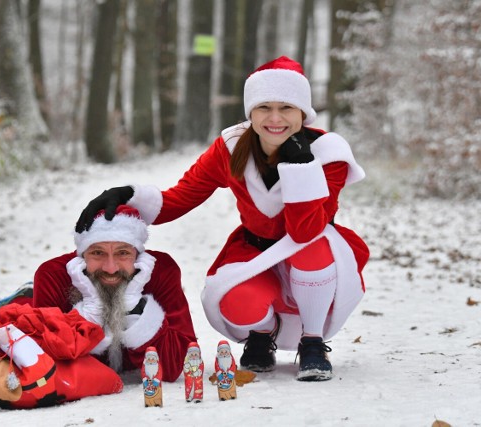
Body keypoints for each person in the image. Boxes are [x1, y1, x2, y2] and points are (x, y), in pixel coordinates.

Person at [75, 56, 370, 381]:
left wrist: (301, 167)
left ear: (303, 112)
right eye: (263, 107)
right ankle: (262, 333)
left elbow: (305, 232)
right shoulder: (231, 148)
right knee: (234, 301)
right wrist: (126, 196)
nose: (274, 118)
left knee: (311, 251)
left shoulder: (329, 154)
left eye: (286, 108)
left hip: (312, 250)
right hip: (255, 251)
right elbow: (181, 197)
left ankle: (312, 342)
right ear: (250, 112)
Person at [31, 205, 197, 382]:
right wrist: (89, 316)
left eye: (123, 253)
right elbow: (45, 365)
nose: (110, 268)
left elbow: (174, 367)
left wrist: (134, 308)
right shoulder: (53, 276)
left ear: (139, 255)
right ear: (81, 255)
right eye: (97, 253)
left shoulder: (161, 271)